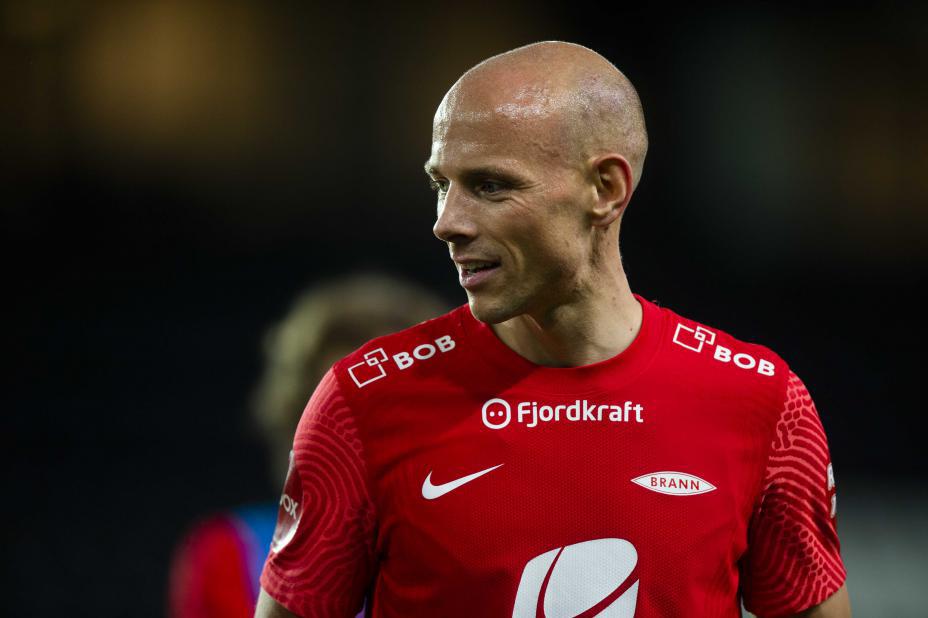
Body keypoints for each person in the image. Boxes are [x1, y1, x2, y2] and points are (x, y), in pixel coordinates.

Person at [256, 41, 850, 617]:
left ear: (606, 189)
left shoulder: (762, 403)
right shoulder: (363, 401)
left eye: (490, 186)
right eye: (442, 185)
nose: (447, 222)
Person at [168, 274, 448, 618]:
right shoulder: (231, 553)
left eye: (389, 409)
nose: (360, 441)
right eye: (335, 413)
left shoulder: (486, 543)